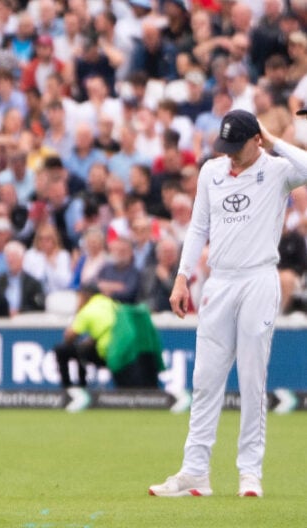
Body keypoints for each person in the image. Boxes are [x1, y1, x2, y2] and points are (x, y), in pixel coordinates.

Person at [149, 110, 307, 498]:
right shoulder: (211, 172)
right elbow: (199, 225)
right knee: (204, 380)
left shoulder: (277, 170)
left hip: (258, 279)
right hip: (219, 281)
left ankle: (249, 472)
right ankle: (194, 472)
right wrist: (183, 276)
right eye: (227, 148)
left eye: (238, 147)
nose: (231, 155)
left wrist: (274, 140)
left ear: (257, 140)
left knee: (252, 381)